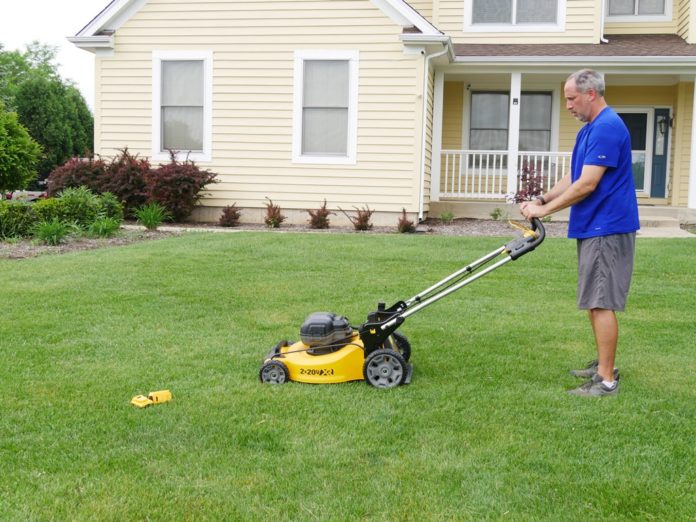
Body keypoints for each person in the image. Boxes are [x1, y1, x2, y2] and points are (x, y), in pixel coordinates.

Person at [520, 69, 639, 397]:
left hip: (607, 227)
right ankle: (603, 364)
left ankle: (606, 381)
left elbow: (588, 184)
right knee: (593, 300)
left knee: (601, 302)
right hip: (594, 226)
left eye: (571, 98)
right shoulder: (590, 130)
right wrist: (542, 198)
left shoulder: (607, 127)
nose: (568, 105)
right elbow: (574, 176)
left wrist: (544, 212)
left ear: (591, 94)